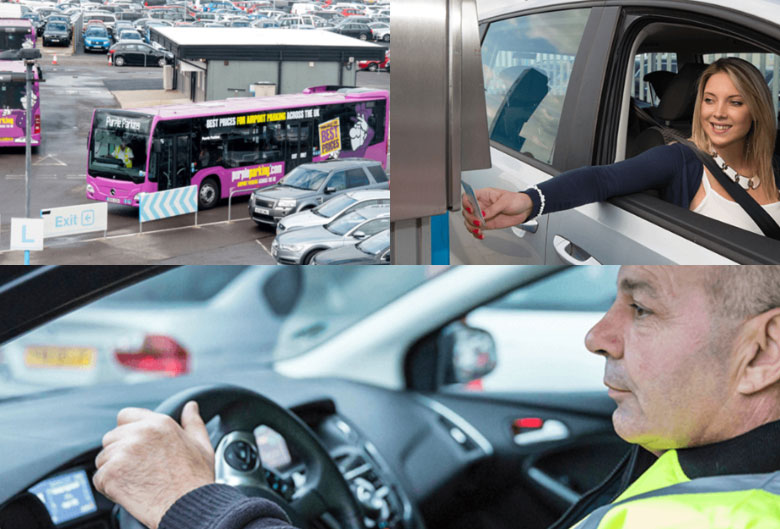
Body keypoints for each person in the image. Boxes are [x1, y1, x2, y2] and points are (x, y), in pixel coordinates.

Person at [92, 266, 780, 529]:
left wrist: (199, 505)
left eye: (642, 306)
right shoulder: (705, 453)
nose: (600, 334)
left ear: (761, 352)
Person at [462, 58, 780, 239]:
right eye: (709, 100)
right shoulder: (681, 159)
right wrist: (528, 200)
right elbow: (602, 179)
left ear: (757, 110)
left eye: (735, 102)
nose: (718, 113)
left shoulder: (774, 164)